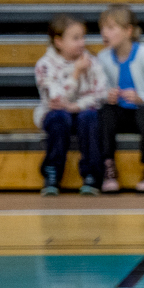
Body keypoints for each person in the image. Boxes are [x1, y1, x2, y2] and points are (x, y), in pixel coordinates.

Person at [94, 6, 144, 194]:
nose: (104, 33)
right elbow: (96, 94)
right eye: (102, 28)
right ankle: (108, 169)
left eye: (111, 28)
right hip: (123, 114)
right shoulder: (103, 57)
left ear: (128, 30)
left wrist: (139, 97)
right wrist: (107, 95)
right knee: (105, 112)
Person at [34, 15, 109, 196]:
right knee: (59, 118)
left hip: (82, 112)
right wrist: (76, 73)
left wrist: (77, 106)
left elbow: (101, 94)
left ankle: (91, 175)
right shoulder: (45, 65)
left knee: (90, 117)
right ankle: (52, 172)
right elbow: (57, 100)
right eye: (75, 38)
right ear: (58, 41)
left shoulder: (92, 62)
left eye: (83, 37)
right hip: (55, 113)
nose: (82, 43)